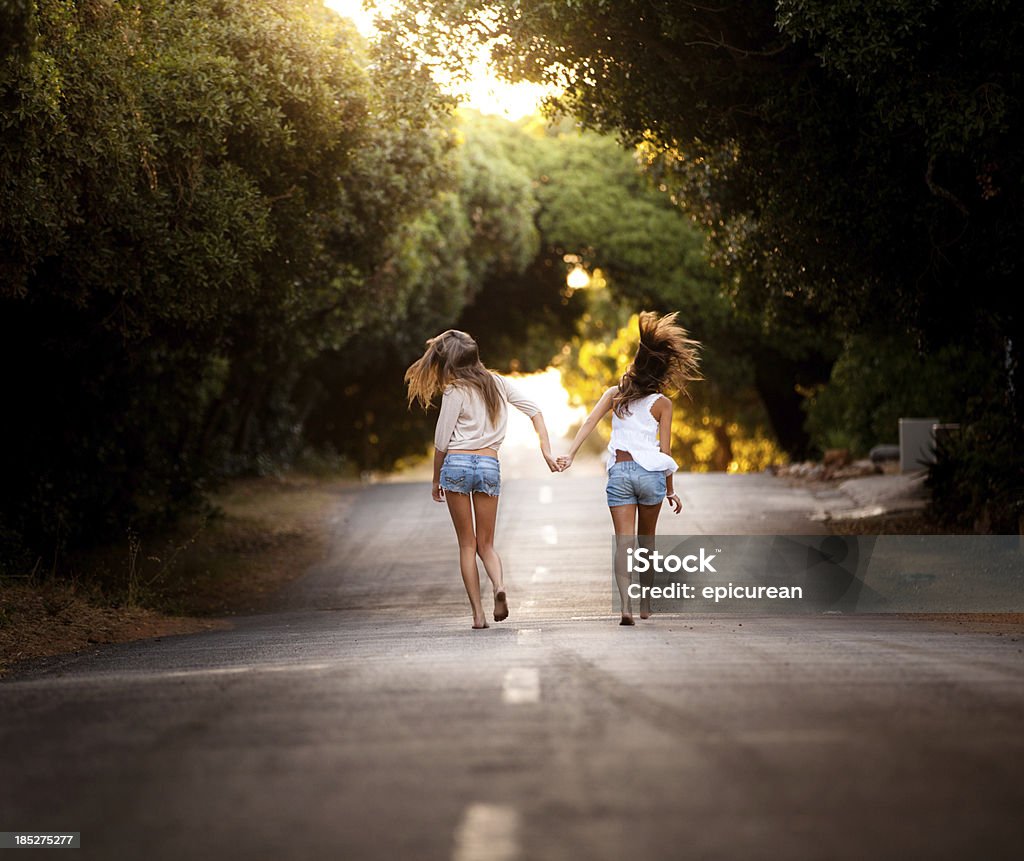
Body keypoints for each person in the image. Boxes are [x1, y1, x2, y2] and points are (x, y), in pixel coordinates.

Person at [405, 330, 559, 629]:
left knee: (467, 545)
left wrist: (436, 479)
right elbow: (535, 411)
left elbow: (441, 442)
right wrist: (546, 451)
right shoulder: (498, 383)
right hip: (489, 464)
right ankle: (499, 585)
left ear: (451, 363)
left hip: (458, 465)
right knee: (486, 544)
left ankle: (478, 615)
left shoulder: (454, 391)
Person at [557, 312, 701, 625]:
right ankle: (646, 605)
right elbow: (665, 451)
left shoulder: (614, 394)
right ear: (662, 370)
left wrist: (569, 454)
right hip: (651, 476)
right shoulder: (663, 403)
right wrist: (671, 490)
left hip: (621, 472)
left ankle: (625, 606)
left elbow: (589, 422)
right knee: (646, 541)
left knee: (624, 542)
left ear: (635, 364)